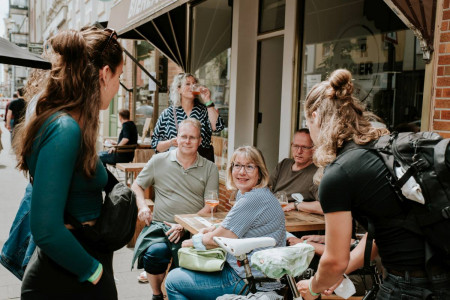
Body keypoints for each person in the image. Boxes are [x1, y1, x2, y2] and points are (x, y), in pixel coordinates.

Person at [296, 69, 450, 299]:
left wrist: (313, 287)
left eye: (308, 124)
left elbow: (335, 259)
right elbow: (380, 233)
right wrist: (338, 273)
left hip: (408, 286)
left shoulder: (338, 172)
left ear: (316, 117)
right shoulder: (383, 149)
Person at [15, 26, 124, 299]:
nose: (117, 86)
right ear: (105, 73)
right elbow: (45, 229)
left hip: (74, 264)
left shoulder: (73, 123)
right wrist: (95, 272)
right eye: (119, 76)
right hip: (66, 274)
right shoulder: (65, 128)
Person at [165, 146, 286, 300]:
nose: (242, 172)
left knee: (173, 280)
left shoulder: (252, 199)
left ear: (260, 172)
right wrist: (215, 228)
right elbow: (235, 227)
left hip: (247, 280)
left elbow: (216, 240)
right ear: (231, 169)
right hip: (259, 276)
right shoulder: (259, 195)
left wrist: (188, 242)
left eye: (249, 167)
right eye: (237, 165)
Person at [131, 118, 219, 300]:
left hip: (194, 229)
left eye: (192, 137)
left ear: (200, 141)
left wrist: (184, 225)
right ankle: (156, 295)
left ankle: (174, 290)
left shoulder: (209, 168)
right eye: (184, 136)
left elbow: (211, 206)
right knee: (154, 254)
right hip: (159, 226)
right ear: (177, 138)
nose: (187, 141)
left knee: (183, 266)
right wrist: (142, 206)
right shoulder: (158, 161)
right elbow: (137, 186)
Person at [151, 73, 224, 162]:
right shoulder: (168, 113)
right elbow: (155, 144)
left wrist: (208, 100)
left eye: (194, 84)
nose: (192, 86)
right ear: (179, 89)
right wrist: (171, 143)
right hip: (175, 166)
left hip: (201, 165)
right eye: (188, 84)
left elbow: (217, 127)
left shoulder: (204, 111)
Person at [270, 128, 322, 214]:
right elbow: (266, 190)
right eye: (296, 146)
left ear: (314, 149)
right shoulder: (284, 164)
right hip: (273, 214)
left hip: (295, 220)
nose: (299, 151)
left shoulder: (317, 172)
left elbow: (324, 206)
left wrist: (295, 205)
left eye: (304, 147)